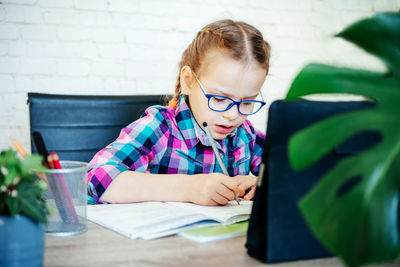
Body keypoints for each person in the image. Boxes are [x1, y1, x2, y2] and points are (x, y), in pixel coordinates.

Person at [87, 19, 271, 206]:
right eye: (219, 99)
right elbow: (95, 177)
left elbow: (293, 169)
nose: (233, 115)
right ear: (188, 81)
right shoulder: (160, 127)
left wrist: (264, 183)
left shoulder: (245, 135)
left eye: (247, 102)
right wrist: (188, 188)